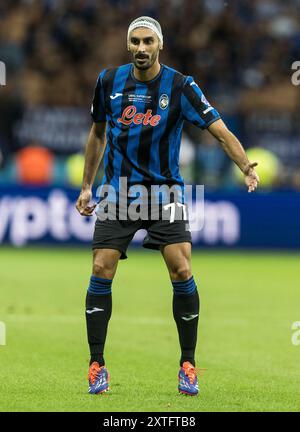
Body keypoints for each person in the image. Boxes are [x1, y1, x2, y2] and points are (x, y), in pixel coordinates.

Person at [76, 16, 259, 396]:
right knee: (100, 267)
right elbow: (97, 134)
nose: (141, 48)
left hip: (166, 194)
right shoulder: (108, 81)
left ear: (160, 45)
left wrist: (245, 166)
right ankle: (97, 364)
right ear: (128, 45)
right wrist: (86, 186)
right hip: (118, 191)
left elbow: (219, 131)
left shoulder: (181, 86)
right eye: (135, 42)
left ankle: (188, 364)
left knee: (181, 268)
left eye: (148, 42)